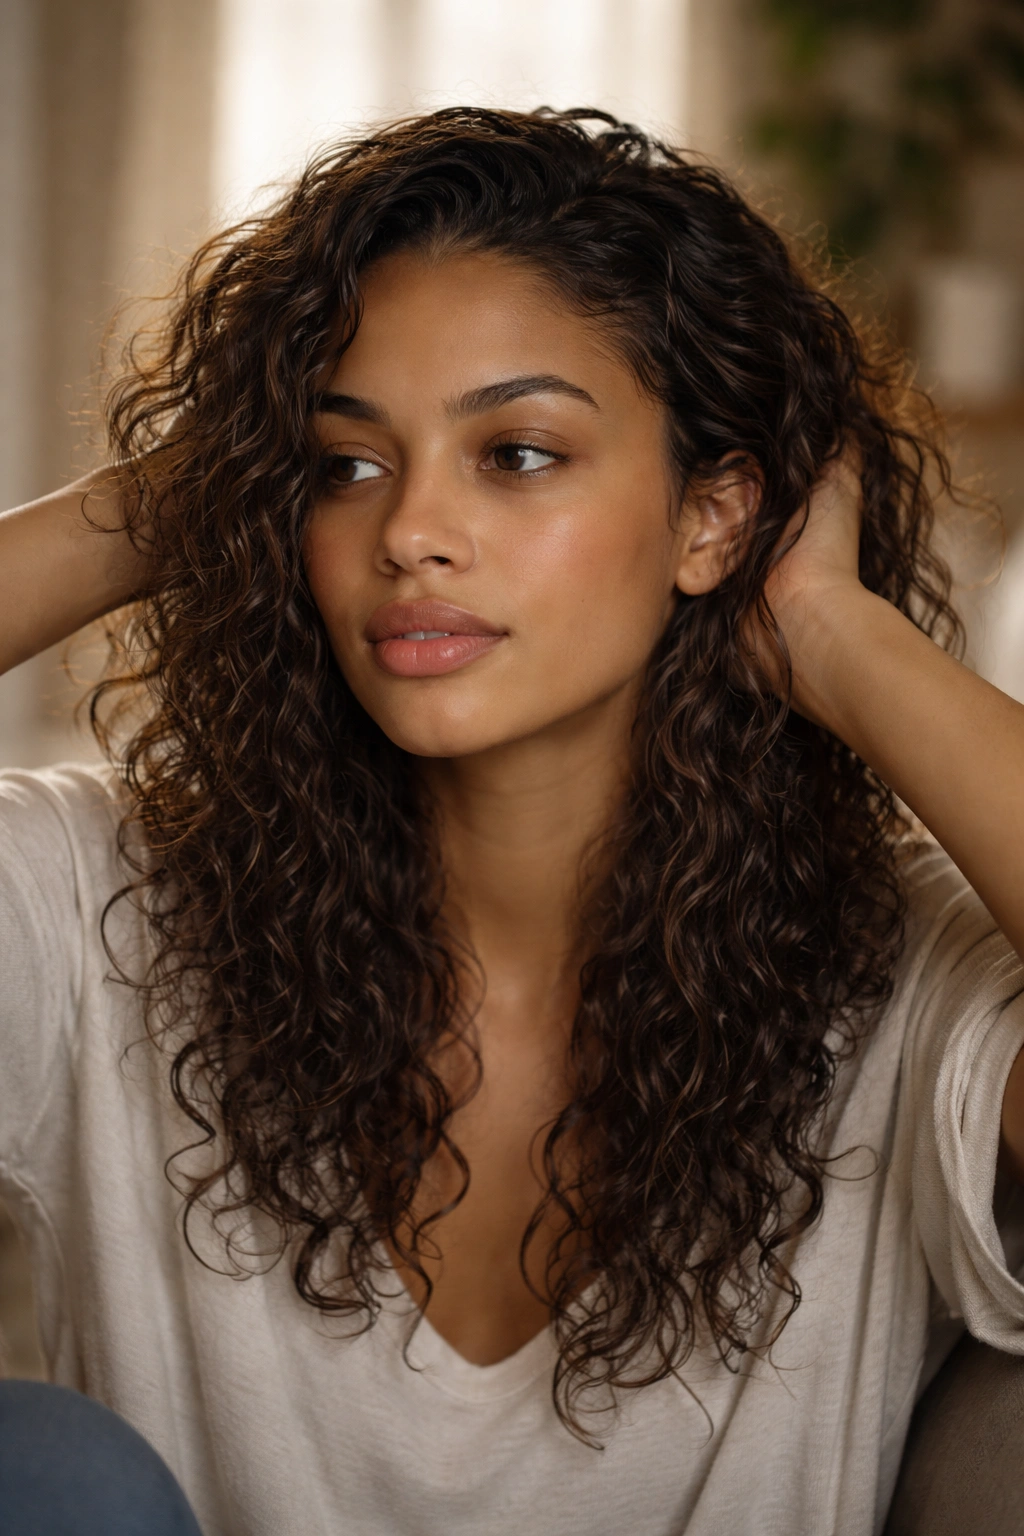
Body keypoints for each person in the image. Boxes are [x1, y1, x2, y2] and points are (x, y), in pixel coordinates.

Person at [0, 106, 1022, 1536]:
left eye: (517, 453)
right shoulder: (97, 899)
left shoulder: (905, 976)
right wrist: (180, 502)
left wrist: (835, 635)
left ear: (711, 518)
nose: (410, 527)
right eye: (343, 463)